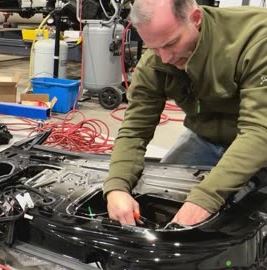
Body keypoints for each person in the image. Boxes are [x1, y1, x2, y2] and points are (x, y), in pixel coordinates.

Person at [103, 0, 267, 226]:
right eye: (153, 48)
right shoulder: (155, 61)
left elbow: (259, 131)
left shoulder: (257, 39)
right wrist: (117, 186)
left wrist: (205, 198)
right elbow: (135, 129)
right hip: (205, 138)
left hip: (259, 138)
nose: (165, 58)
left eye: (171, 43)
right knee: (160, 198)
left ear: (196, 19)